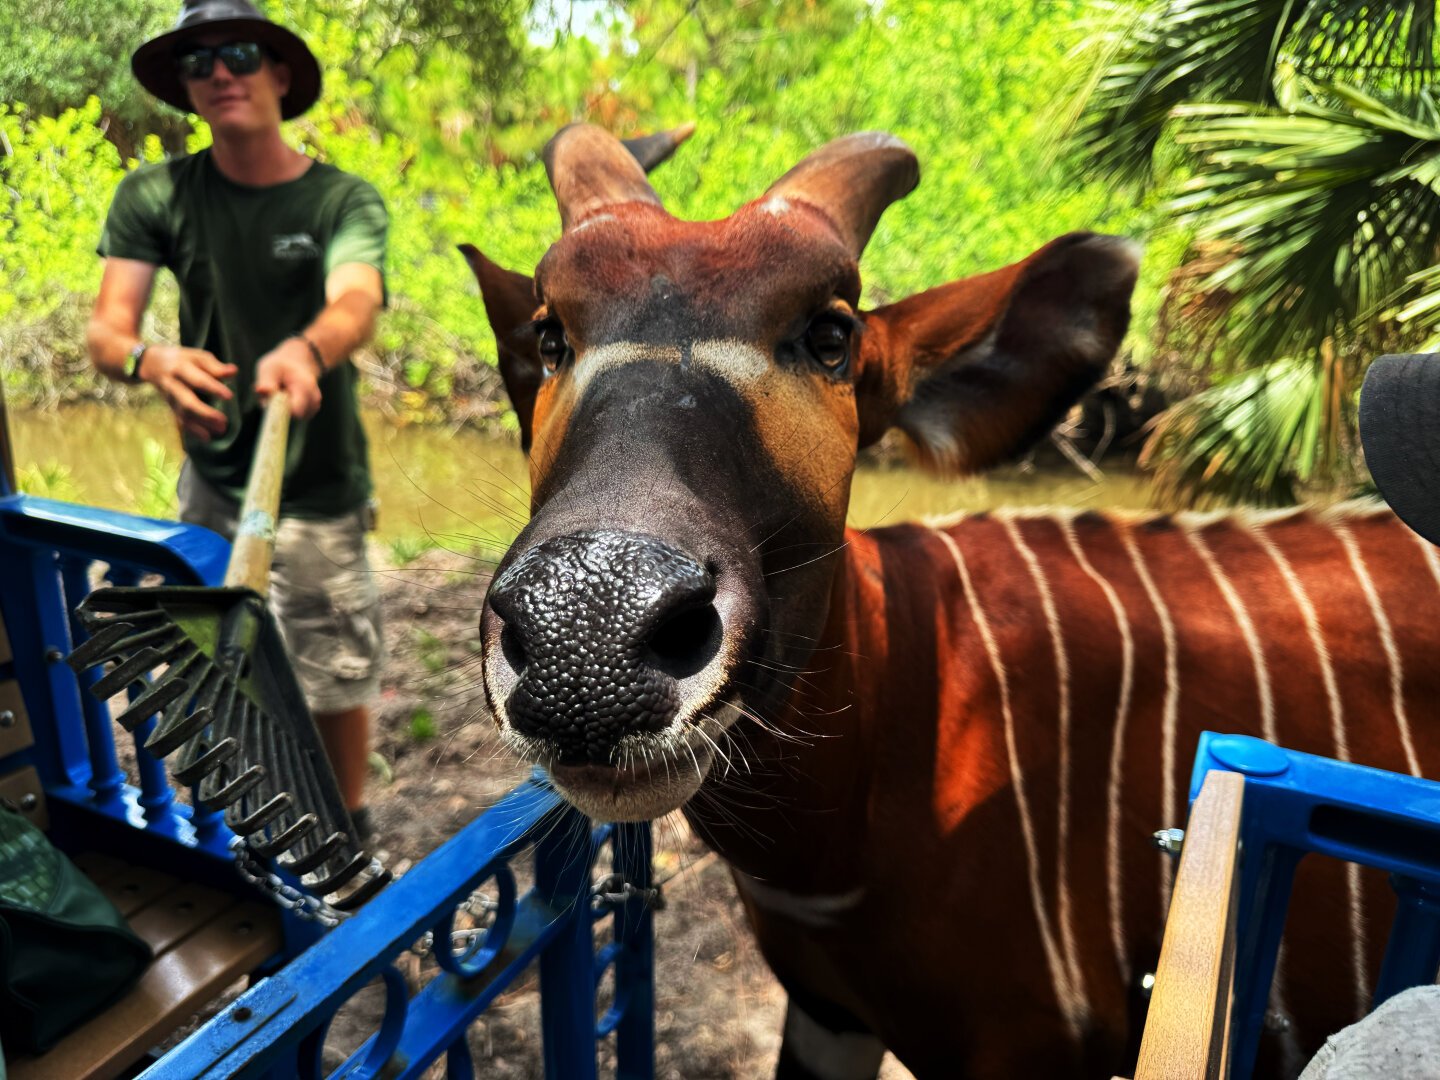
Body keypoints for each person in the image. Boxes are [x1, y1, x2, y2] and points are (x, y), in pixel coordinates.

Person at [86, 0, 386, 837]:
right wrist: (155, 360)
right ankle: (257, 821)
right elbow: (108, 333)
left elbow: (356, 301)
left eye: (241, 53)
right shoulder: (156, 195)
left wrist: (308, 350)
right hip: (214, 480)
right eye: (198, 61)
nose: (220, 72)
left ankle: (346, 826)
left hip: (320, 480)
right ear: (184, 87)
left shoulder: (341, 199)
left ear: (280, 74)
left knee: (333, 669)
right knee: (226, 662)